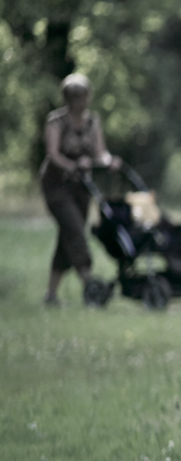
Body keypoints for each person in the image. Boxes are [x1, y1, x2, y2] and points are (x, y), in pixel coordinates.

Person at [40, 73, 121, 306]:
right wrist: (72, 164)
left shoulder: (92, 121)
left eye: (85, 96)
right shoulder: (56, 121)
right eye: (77, 97)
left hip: (82, 186)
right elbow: (52, 154)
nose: (82, 101)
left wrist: (108, 161)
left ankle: (51, 295)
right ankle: (90, 285)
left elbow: (100, 151)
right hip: (57, 186)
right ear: (68, 98)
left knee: (67, 235)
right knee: (75, 230)